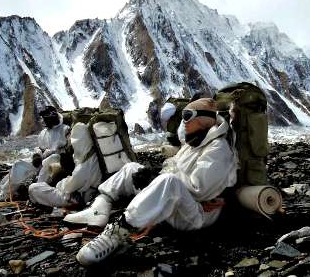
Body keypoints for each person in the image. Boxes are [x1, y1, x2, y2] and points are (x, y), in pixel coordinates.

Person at [67, 98, 238, 266]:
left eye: (187, 116)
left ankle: (118, 232)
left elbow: (198, 189)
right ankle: (99, 208)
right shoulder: (194, 143)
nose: (183, 121)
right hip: (177, 204)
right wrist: (153, 175)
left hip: (196, 215)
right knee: (132, 168)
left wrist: (158, 178)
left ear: (203, 120)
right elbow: (172, 167)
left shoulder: (218, 148)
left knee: (168, 181)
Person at [0, 106, 70, 202]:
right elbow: (39, 148)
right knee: (19, 165)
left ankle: (37, 193)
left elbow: (66, 149)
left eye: (46, 118)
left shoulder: (64, 129)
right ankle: (6, 193)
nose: (44, 121)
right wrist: (36, 155)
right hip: (41, 161)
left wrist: (51, 152)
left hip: (57, 162)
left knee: (50, 160)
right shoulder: (43, 133)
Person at [27, 122, 102, 208]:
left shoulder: (83, 168)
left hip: (76, 198)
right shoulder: (93, 156)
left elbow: (69, 186)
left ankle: (37, 198)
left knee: (33, 188)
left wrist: (59, 184)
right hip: (82, 192)